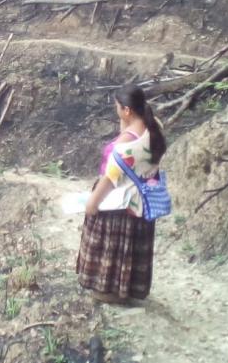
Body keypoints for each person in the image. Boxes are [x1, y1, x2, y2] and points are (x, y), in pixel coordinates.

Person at [76, 84, 167, 304]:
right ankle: (129, 289)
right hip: (141, 201)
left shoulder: (126, 143)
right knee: (132, 248)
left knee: (112, 246)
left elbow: (111, 177)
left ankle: (108, 291)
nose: (116, 110)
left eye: (118, 107)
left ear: (127, 110)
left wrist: (93, 202)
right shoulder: (153, 127)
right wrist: (125, 125)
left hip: (121, 201)